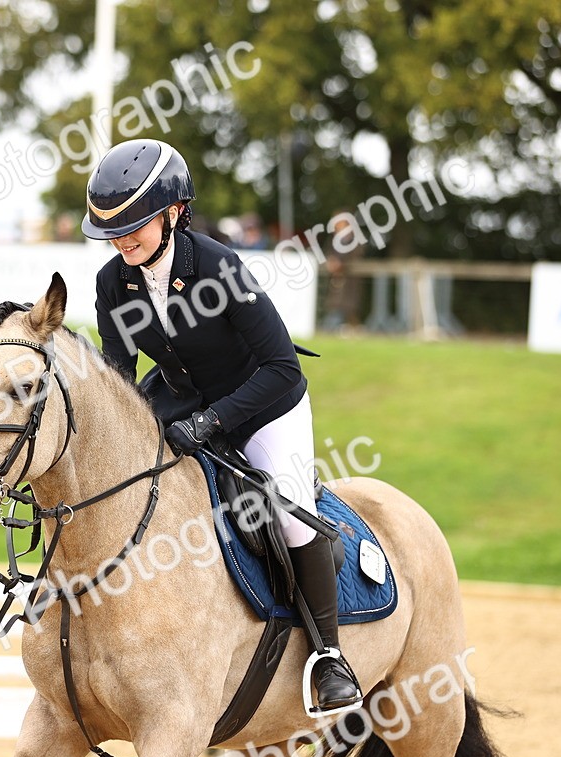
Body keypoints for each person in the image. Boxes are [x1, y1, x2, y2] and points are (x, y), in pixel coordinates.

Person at [83, 138, 361, 713]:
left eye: (135, 225)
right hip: (181, 401)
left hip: (263, 404)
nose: (122, 239)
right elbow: (119, 379)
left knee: (286, 514)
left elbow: (282, 368)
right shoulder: (114, 284)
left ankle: (330, 658)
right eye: (114, 231)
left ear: (173, 213)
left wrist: (211, 423)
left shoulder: (218, 266)